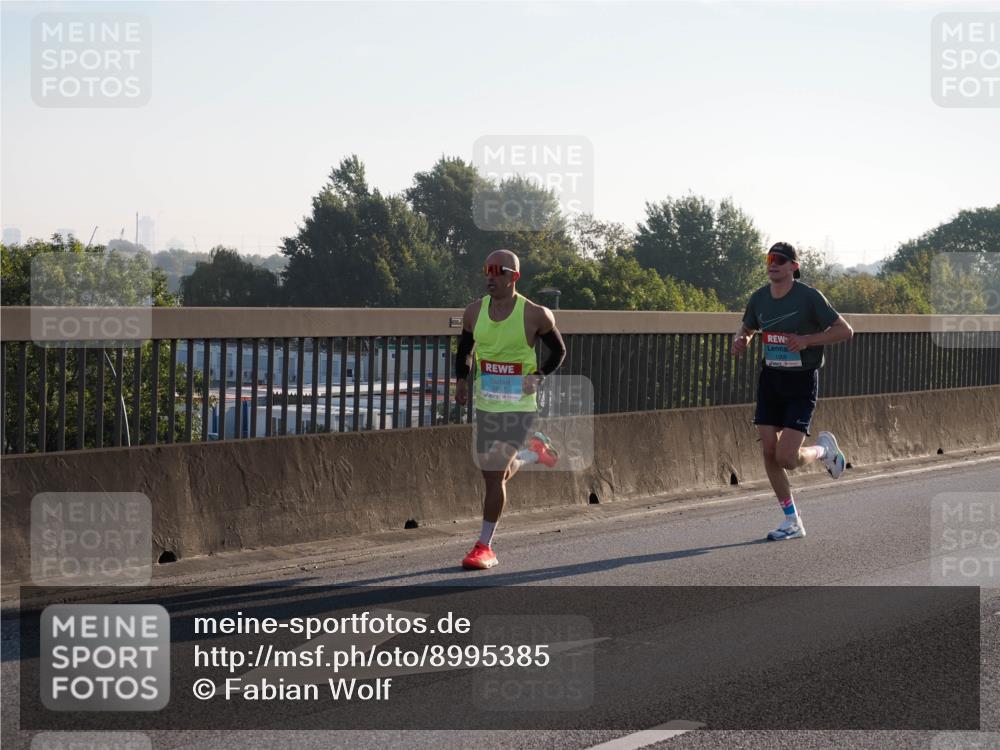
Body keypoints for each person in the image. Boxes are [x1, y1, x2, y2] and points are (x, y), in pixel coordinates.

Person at [732, 242, 853, 541]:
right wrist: (741, 340)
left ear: (793, 266)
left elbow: (845, 331)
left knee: (786, 457)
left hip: (801, 381)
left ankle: (825, 450)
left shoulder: (809, 297)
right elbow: (747, 328)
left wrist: (807, 340)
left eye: (780, 260)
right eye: (770, 258)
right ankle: (792, 520)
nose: (773, 264)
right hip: (770, 379)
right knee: (769, 452)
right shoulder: (759, 298)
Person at [455, 249, 566, 569]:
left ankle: (484, 546)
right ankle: (534, 452)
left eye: (497, 270)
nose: (490, 275)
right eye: (486, 269)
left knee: (494, 473)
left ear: (513, 277)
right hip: (487, 403)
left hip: (520, 406)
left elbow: (559, 351)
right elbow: (465, 349)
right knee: (496, 474)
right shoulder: (474, 312)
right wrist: (461, 380)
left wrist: (539, 375)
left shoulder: (535, 314)